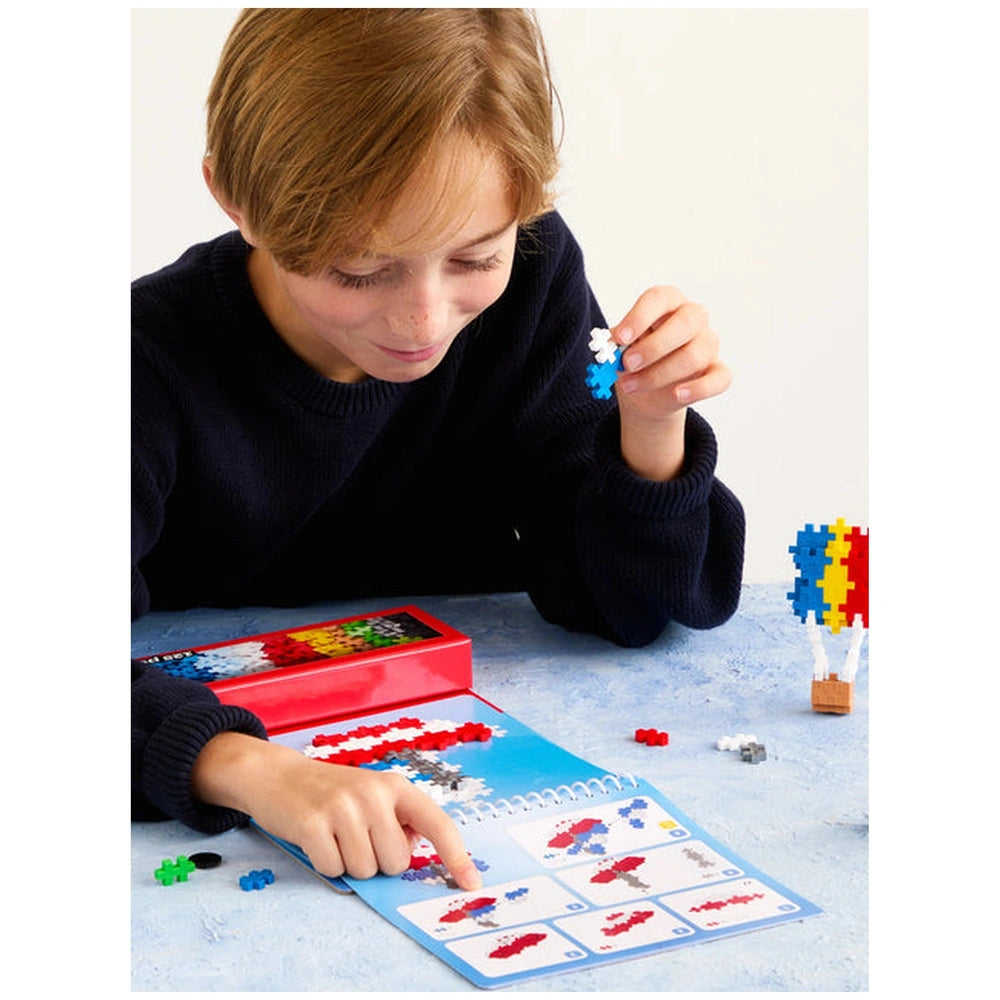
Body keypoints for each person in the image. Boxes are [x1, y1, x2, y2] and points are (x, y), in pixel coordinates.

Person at [132, 8, 745, 893]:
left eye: (474, 256)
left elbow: (634, 610)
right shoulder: (138, 365)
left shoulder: (530, 286)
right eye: (358, 270)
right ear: (236, 197)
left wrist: (649, 428)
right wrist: (243, 768)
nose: (424, 323)